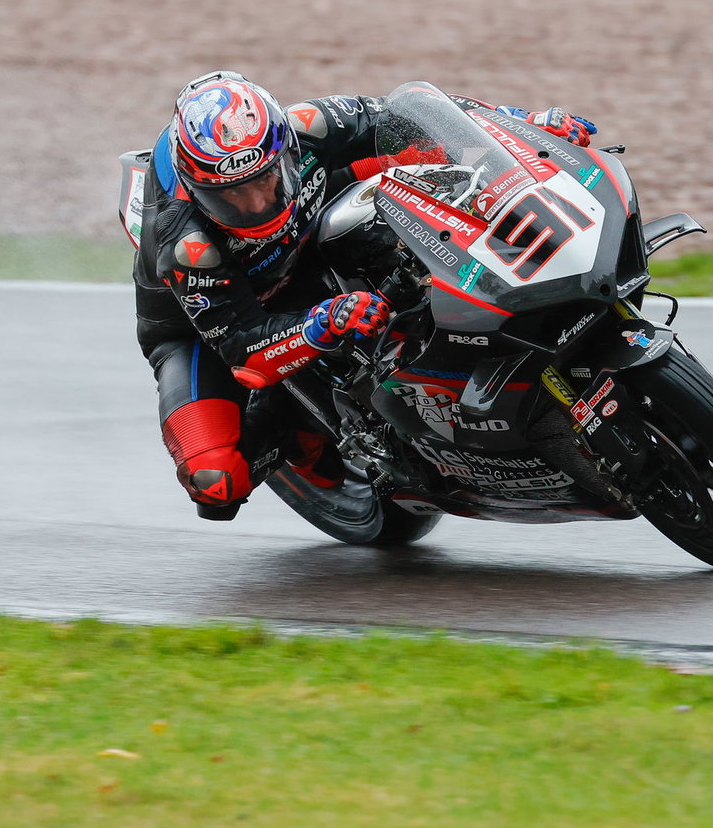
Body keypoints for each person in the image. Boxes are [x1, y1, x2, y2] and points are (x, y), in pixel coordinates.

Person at [133, 71, 598, 520]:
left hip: (304, 243)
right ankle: (297, 428)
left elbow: (416, 117)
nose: (256, 205)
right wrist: (323, 323)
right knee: (216, 482)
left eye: (265, 181)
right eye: (231, 197)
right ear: (199, 191)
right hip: (202, 326)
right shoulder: (185, 244)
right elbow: (242, 352)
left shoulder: (306, 124)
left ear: (286, 152)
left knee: (419, 153)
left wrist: (522, 122)